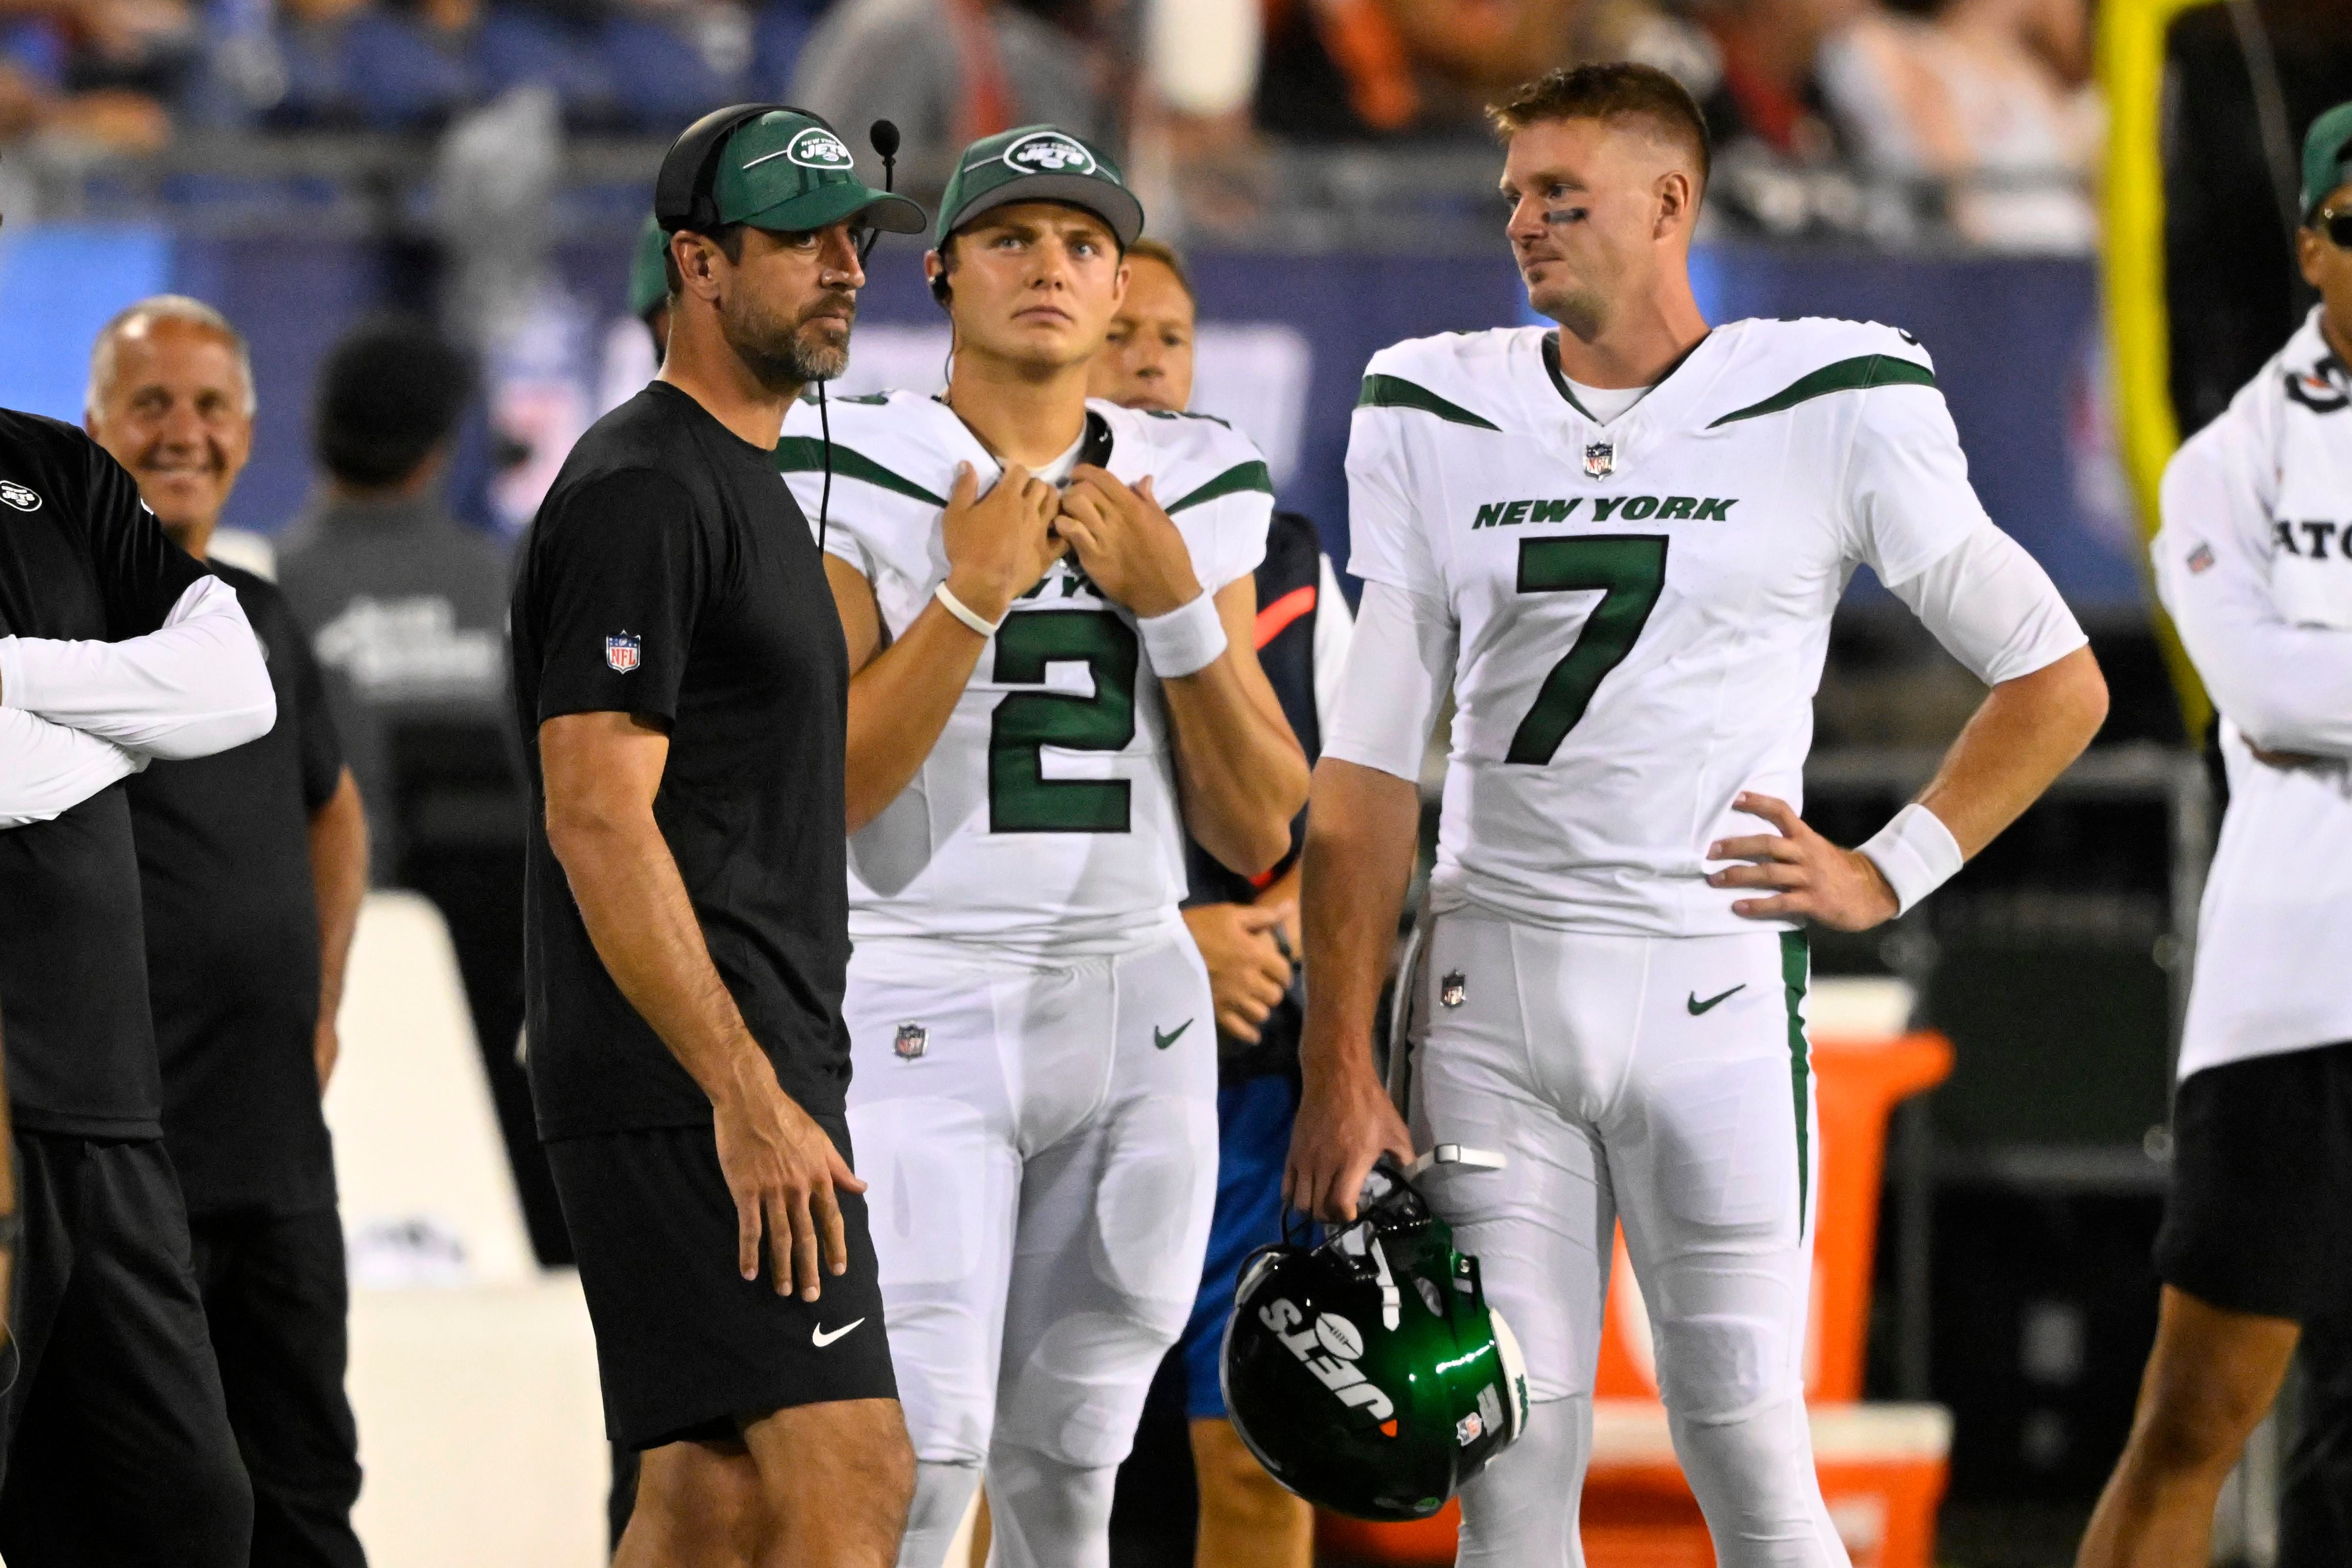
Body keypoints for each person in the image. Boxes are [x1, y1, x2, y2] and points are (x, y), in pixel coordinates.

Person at [1285, 62, 2110, 1566]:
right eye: (1514, 195)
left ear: (1671, 204)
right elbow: (1364, 773)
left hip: (1710, 982)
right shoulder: (1430, 402)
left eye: (1562, 195)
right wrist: (1337, 1057)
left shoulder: (1828, 398)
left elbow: (2055, 676)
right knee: (1513, 1471)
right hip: (1490, 985)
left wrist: (1889, 868)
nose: (1524, 223)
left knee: (1749, 1449)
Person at [777, 126, 1308, 1568]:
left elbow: (1261, 823)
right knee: (919, 1458)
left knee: (1074, 1470)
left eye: (1084, 243)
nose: (1053, 268)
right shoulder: (845, 455)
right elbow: (826, 791)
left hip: (1133, 1000)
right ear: (942, 272)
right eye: (1013, 237)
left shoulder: (1191, 477)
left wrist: (1179, 602)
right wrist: (965, 601)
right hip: (917, 994)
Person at [509, 104, 925, 1568]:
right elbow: (596, 813)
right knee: (853, 1469)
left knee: (712, 1498)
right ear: (696, 262)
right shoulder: (644, 487)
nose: (844, 268)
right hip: (691, 1070)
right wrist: (743, 1090)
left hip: (720, 1055)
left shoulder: (737, 478)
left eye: (854, 239)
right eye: (798, 241)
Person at [2077, 102, 2352, 1568]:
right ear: (2312, 244)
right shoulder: (2228, 463)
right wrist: (2300, 693)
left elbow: (2310, 694)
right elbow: (2257, 685)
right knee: (2193, 1421)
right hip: (2294, 1005)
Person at [83, 295, 373, 1568]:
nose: (182, 432)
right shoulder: (40, 616)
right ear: (96, 429)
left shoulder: (260, 619)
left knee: (307, 1493)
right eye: (152, 404)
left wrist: (323, 999)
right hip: (112, 1169)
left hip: (276, 1160)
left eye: (210, 406)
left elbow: (336, 812)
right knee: (146, 1512)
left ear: (249, 433)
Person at [1089, 237, 1347, 1568]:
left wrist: (1277, 928)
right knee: (993, 1454)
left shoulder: (1289, 559)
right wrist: (1158, 944)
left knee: (1251, 1463)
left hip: (1248, 1076)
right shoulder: (979, 541)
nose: (1149, 356)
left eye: (1173, 334)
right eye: (1122, 328)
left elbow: (1354, 813)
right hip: (1056, 1055)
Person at [0, 381, 278, 1560]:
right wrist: (123, 724)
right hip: (2, 1108)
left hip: (108, 1110)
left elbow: (238, 688)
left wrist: (13, 674)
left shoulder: (57, 469)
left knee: (188, 1514)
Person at [273, 318, 564, 1263]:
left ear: (315, 429)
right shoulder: (503, 589)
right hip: (517, 986)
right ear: (442, 449)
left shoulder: (273, 592)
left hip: (347, 979)